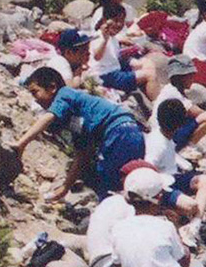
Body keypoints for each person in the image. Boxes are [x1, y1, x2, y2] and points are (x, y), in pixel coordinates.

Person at [13, 67, 146, 200]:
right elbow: (82, 154)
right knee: (129, 185)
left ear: (52, 87)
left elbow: (49, 117)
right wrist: (65, 187)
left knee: (109, 184)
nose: (35, 99)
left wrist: (21, 143)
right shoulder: (76, 117)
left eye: (35, 92)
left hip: (117, 132)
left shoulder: (65, 94)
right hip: (132, 133)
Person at [145, 98, 206, 221]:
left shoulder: (167, 136)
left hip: (174, 178)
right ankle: (175, 213)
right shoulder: (158, 145)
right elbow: (148, 171)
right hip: (163, 186)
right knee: (191, 206)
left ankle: (195, 224)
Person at [89, 3, 162, 101]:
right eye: (116, 21)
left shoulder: (113, 37)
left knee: (147, 63)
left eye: (122, 21)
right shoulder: (99, 37)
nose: (119, 24)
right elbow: (97, 56)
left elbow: (116, 55)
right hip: (105, 76)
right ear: (105, 21)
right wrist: (105, 40)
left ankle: (151, 90)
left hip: (115, 69)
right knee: (149, 75)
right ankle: (156, 104)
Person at [150, 55, 206, 151]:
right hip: (165, 135)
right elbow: (197, 112)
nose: (192, 78)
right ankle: (187, 148)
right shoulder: (173, 92)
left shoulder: (172, 89)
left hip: (167, 132)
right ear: (180, 77)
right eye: (189, 76)